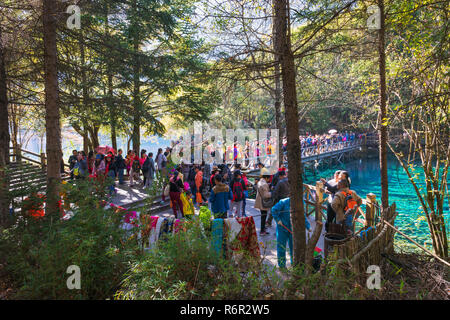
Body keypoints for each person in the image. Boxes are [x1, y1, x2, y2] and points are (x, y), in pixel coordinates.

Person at [271, 197, 311, 268]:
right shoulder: (283, 202)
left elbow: (303, 216)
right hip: (282, 228)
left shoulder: (300, 203)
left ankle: (294, 263)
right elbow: (273, 210)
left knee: (293, 247)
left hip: (293, 229)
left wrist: (308, 226)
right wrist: (278, 219)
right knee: (281, 247)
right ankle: (282, 265)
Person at [254, 168, 272, 236]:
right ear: (266, 178)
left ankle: (263, 228)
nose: (269, 180)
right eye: (268, 178)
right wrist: (272, 193)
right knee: (264, 216)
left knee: (263, 215)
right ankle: (262, 230)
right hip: (263, 202)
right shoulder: (264, 184)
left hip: (259, 201)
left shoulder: (260, 181)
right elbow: (266, 195)